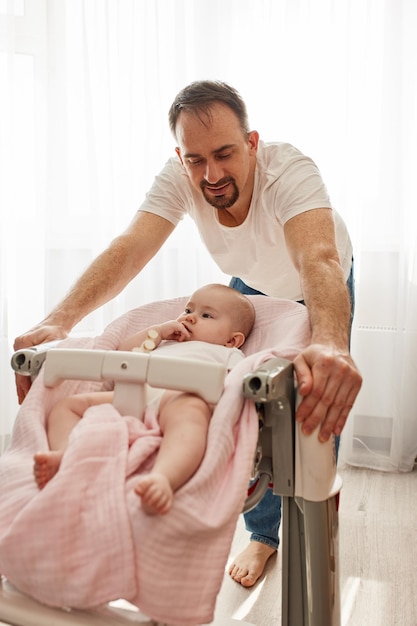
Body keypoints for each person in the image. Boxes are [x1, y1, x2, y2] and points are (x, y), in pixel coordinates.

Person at [15, 80, 362, 584]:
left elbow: (319, 257)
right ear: (181, 155)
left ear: (252, 143)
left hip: (318, 279)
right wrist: (59, 320)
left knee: (314, 406)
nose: (212, 173)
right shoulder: (182, 174)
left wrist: (330, 340)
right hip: (249, 284)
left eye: (224, 153)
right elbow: (130, 247)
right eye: (196, 160)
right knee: (240, 403)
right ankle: (264, 537)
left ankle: (315, 529)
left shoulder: (290, 171)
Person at [33, 283, 255, 515]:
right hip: (132, 393)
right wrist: (157, 332)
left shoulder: (228, 354)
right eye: (188, 310)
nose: (190, 318)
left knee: (191, 417)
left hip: (179, 399)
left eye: (206, 315)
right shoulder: (165, 341)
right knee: (67, 406)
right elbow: (121, 354)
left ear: (232, 340)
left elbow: (236, 385)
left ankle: (163, 478)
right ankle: (67, 455)